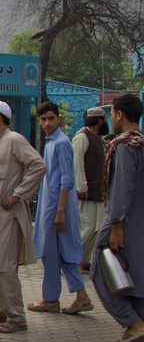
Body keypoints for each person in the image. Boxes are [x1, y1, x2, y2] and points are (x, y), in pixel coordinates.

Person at [0, 101, 46, 334]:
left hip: (8, 216)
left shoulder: (15, 140)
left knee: (5, 266)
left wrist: (18, 195)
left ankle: (17, 317)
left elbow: (38, 165)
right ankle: (2, 310)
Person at [90, 94, 144, 342]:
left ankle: (134, 325)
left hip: (121, 222)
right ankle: (136, 336)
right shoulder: (142, 143)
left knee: (100, 270)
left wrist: (117, 227)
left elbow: (121, 188)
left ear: (119, 114)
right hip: (139, 226)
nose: (110, 119)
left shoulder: (125, 146)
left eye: (111, 114)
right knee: (137, 280)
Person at [30, 102, 93, 315]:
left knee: (52, 252)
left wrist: (59, 211)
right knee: (59, 254)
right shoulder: (51, 142)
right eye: (44, 119)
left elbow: (67, 179)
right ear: (39, 121)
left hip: (58, 208)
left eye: (51, 118)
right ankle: (79, 297)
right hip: (51, 206)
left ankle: (50, 300)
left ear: (59, 119)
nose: (47, 123)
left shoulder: (62, 143)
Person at [72, 107, 108, 273]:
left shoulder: (99, 139)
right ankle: (72, 260)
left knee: (96, 228)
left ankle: (83, 260)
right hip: (85, 192)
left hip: (97, 192)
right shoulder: (82, 137)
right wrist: (81, 187)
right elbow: (77, 163)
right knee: (85, 228)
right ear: (100, 121)